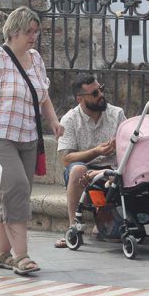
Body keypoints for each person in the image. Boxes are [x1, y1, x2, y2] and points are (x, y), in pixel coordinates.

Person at [0, 6, 63, 276]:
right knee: (17, 188)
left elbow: (42, 94)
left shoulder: (36, 59)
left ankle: (2, 254)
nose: (33, 37)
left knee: (16, 193)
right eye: (28, 32)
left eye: (35, 31)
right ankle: (22, 256)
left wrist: (53, 120)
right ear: (13, 31)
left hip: (27, 137)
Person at [53, 74, 126, 248]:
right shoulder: (69, 119)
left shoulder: (117, 114)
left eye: (100, 89)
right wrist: (96, 151)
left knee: (114, 235)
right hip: (84, 171)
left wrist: (121, 145)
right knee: (76, 170)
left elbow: (131, 146)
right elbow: (66, 158)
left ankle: (103, 223)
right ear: (80, 99)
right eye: (94, 93)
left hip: (112, 170)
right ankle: (73, 228)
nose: (101, 95)